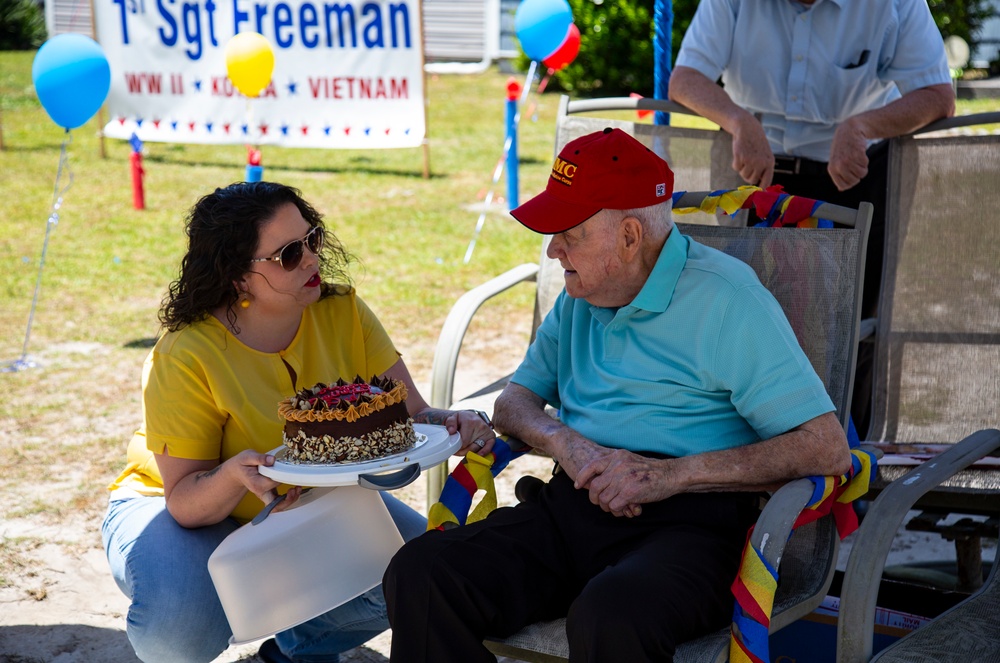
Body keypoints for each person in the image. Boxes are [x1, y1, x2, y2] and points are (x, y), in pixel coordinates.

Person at [382, 128, 852, 662]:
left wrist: (669, 475)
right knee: (422, 573)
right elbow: (514, 404)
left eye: (570, 234)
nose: (554, 250)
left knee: (612, 613)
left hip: (691, 524)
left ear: (630, 236)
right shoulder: (583, 292)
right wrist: (567, 444)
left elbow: (824, 446)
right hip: (573, 503)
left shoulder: (729, 299)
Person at [101, 181, 496, 663]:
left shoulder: (342, 309)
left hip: (309, 502)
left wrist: (456, 424)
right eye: (288, 254)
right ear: (238, 275)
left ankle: (293, 652)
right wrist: (232, 476)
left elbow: (413, 416)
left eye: (313, 239)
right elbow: (184, 500)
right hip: (183, 507)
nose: (311, 259)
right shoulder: (187, 351)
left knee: (430, 575)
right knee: (178, 632)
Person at [668, 0, 956, 437]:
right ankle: (736, 448)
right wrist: (738, 120)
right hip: (753, 169)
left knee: (849, 328)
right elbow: (685, 79)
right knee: (732, 313)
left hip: (857, 171)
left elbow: (938, 96)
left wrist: (861, 126)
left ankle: (844, 452)